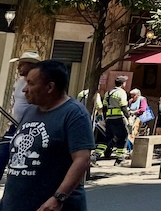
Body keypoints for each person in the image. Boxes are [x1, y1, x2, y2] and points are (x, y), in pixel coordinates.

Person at [1, 60, 94, 211]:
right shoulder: (31, 111)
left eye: (31, 84)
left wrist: (59, 198)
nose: (25, 89)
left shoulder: (74, 113)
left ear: (50, 87)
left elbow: (82, 159)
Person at [0, 51, 41, 178]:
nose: (18, 67)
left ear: (31, 66)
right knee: (2, 154)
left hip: (28, 127)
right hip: (15, 125)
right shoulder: (19, 82)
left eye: (22, 64)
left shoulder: (37, 83)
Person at [102, 76, 130, 160]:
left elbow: (104, 107)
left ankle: (98, 154)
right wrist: (128, 117)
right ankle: (120, 159)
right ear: (123, 84)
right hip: (118, 118)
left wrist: (105, 118)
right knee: (123, 137)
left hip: (109, 119)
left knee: (109, 137)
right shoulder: (121, 93)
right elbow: (123, 107)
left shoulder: (108, 92)